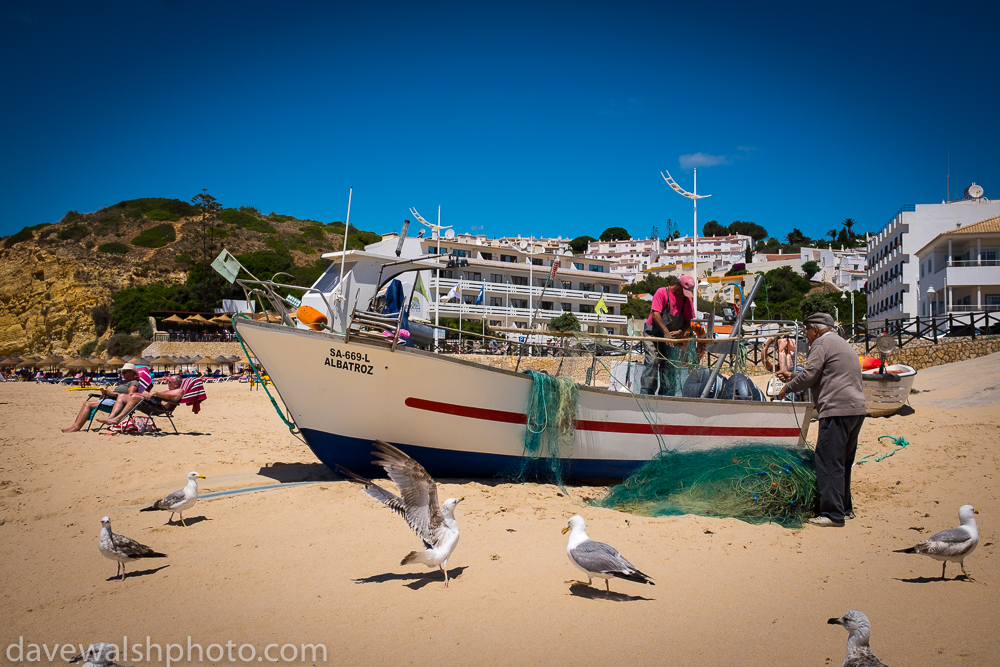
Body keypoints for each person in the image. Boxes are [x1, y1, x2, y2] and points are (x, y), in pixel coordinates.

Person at [776, 312, 866, 527]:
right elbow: (823, 373)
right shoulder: (839, 342)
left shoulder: (821, 343)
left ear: (815, 329)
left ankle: (832, 515)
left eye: (807, 330)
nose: (806, 336)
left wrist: (786, 388)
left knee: (827, 461)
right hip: (856, 409)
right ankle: (843, 509)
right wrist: (793, 376)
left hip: (836, 409)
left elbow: (809, 375)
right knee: (843, 462)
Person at [641, 275, 696, 396]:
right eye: (684, 291)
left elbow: (687, 322)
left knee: (669, 366)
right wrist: (666, 332)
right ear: (678, 285)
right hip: (653, 335)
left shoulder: (687, 300)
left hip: (670, 338)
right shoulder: (662, 292)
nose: (685, 295)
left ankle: (666, 395)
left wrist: (680, 332)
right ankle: (646, 394)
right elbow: (656, 314)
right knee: (653, 361)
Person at [61, 363, 142, 433]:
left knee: (88, 404)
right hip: (112, 400)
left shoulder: (133, 383)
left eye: (124, 372)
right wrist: (106, 393)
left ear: (131, 372)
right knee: (86, 403)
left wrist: (112, 394)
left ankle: (76, 427)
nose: (122, 374)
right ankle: (74, 426)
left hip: (117, 404)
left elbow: (130, 396)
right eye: (122, 372)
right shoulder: (126, 382)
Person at [98, 375, 184, 426]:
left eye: (169, 382)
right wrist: (139, 394)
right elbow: (152, 395)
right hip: (153, 403)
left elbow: (169, 397)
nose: (167, 383)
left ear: (176, 384)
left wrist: (156, 393)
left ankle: (118, 419)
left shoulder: (179, 391)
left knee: (135, 397)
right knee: (122, 396)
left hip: (159, 408)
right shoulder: (167, 389)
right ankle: (111, 417)